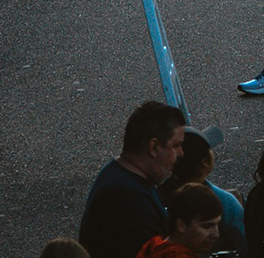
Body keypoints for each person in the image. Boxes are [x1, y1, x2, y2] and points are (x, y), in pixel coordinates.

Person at [80, 100, 188, 258]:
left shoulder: (121, 177)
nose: (181, 153)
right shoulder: (129, 199)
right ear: (154, 147)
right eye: (176, 145)